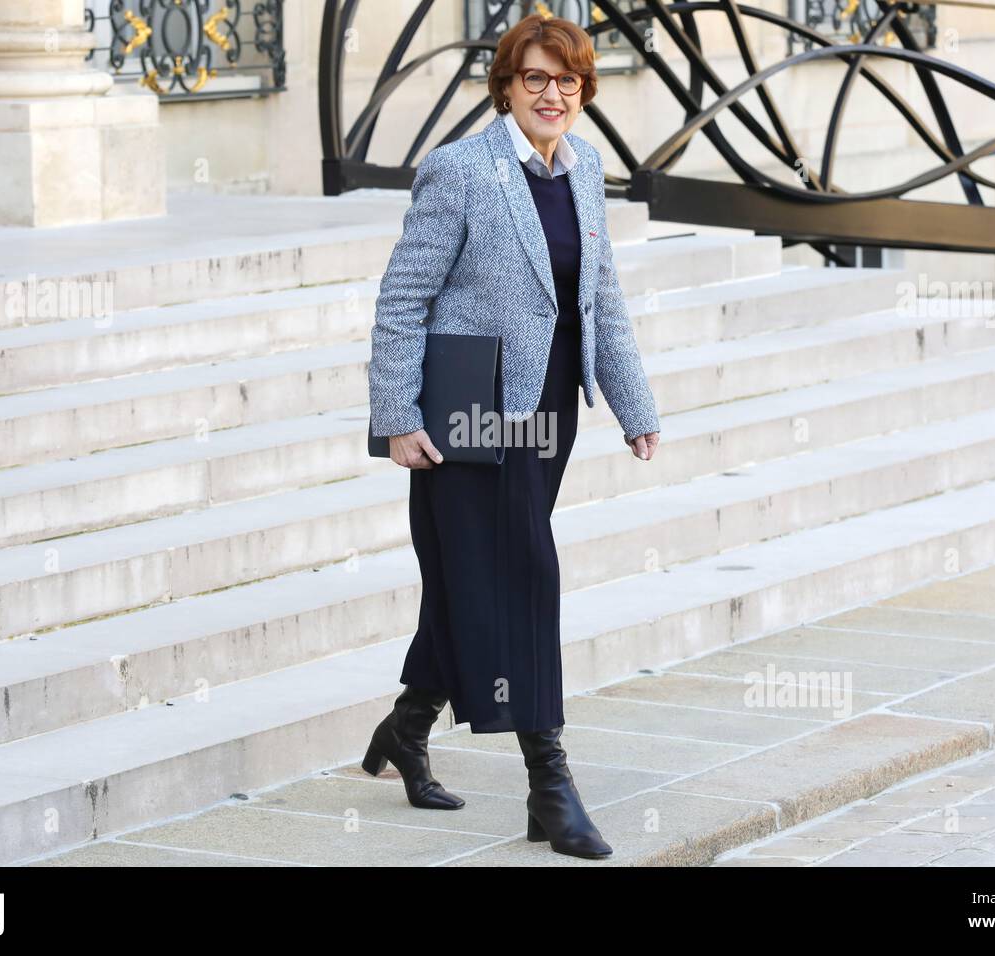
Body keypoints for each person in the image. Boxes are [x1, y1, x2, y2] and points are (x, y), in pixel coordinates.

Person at [363, 13, 661, 860]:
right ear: (504, 86)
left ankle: (407, 728)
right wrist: (397, 418)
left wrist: (635, 405)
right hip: (469, 411)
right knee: (524, 573)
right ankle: (551, 787)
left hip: (548, 410)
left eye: (566, 81)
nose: (551, 94)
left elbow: (602, 298)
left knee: (475, 578)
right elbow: (402, 300)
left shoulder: (586, 169)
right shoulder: (460, 169)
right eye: (534, 78)